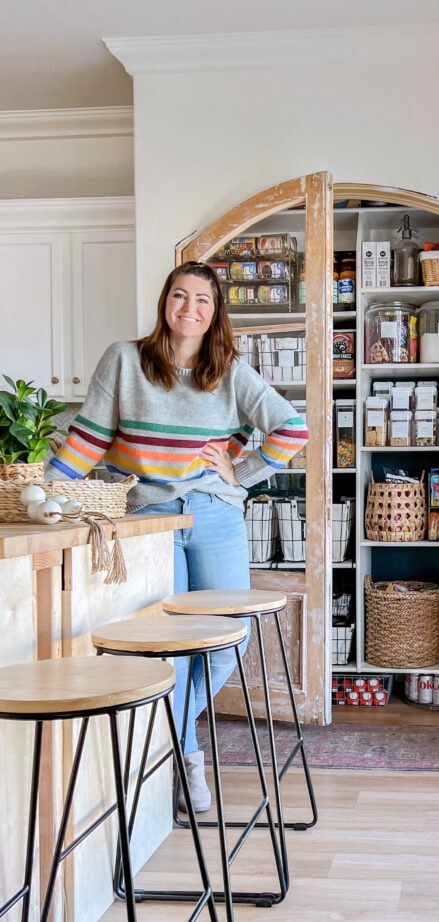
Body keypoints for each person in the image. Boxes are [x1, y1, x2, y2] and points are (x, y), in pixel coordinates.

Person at [50, 259, 309, 812]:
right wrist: (43, 495)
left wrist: (242, 472)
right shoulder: (124, 360)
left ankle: (169, 737)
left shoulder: (231, 372)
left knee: (224, 642)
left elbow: (293, 428)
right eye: (179, 296)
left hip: (214, 514)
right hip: (149, 519)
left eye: (203, 300)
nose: (189, 308)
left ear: (216, 313)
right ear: (164, 303)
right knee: (173, 650)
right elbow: (85, 443)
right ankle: (188, 757)